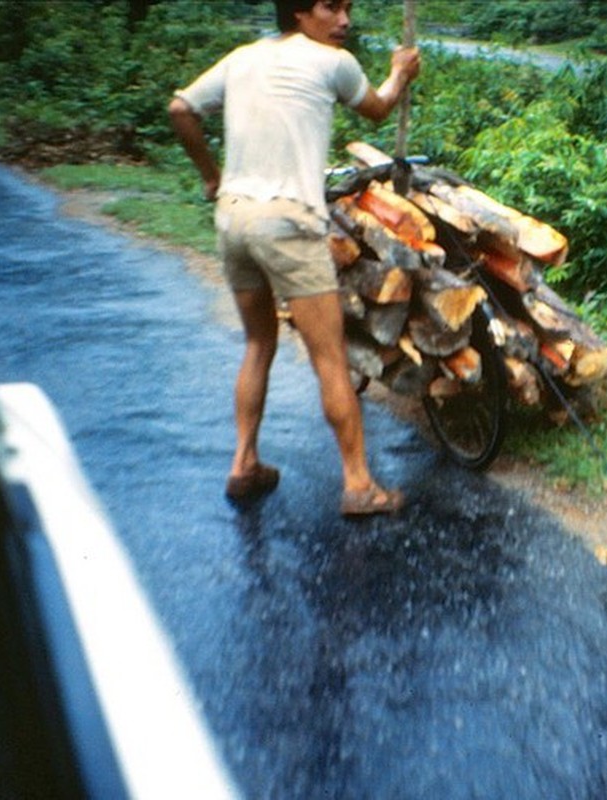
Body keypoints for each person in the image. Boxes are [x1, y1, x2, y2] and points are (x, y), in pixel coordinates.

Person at [168, 0, 420, 514]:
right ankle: (358, 485)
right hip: (287, 222)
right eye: (332, 7)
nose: (344, 20)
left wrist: (211, 178)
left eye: (348, 8)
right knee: (330, 359)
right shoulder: (333, 62)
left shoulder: (242, 58)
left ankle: (244, 464)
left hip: (234, 219)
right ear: (300, 13)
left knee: (259, 343)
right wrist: (399, 73)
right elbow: (377, 107)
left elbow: (180, 109)